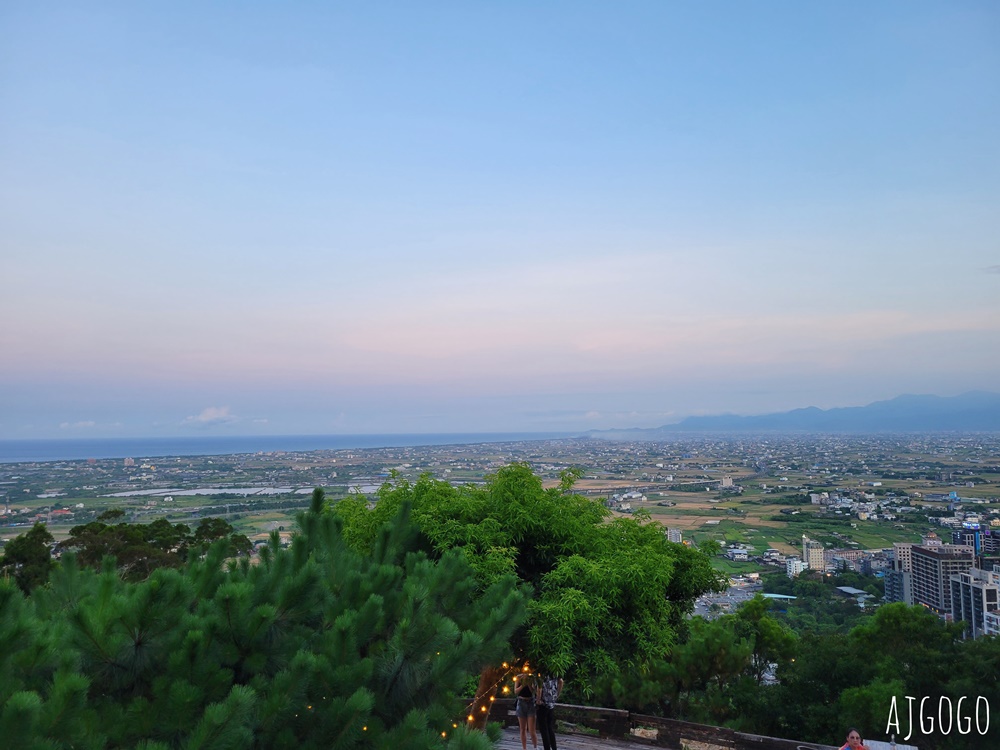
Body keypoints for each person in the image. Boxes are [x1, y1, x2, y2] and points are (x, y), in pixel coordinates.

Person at [535, 673, 563, 750]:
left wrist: (538, 699)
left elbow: (539, 687)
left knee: (544, 729)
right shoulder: (554, 673)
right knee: (550, 727)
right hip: (551, 703)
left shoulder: (541, 674)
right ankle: (554, 748)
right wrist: (557, 694)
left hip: (543, 703)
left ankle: (547, 748)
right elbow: (561, 681)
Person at [513, 671, 537, 750]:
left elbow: (533, 691)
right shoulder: (518, 677)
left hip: (530, 702)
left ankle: (535, 747)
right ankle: (524, 748)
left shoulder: (532, 678)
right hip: (521, 702)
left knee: (531, 730)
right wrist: (523, 684)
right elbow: (516, 691)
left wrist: (529, 683)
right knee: (522, 728)